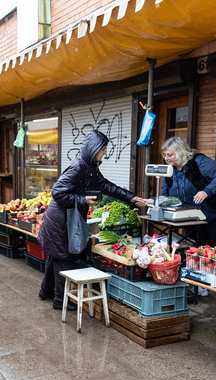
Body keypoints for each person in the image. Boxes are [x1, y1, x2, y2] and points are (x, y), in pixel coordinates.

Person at [37, 130, 147, 310]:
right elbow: (57, 192)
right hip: (59, 221)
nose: (104, 153)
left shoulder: (90, 167)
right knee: (64, 257)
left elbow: (106, 186)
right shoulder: (78, 167)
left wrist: (131, 198)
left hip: (67, 218)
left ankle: (45, 291)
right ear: (93, 148)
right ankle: (59, 300)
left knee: (56, 256)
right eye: (103, 149)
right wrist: (82, 200)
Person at [142, 136, 216, 305]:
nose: (166, 158)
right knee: (199, 250)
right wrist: (152, 201)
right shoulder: (170, 171)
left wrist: (207, 191)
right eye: (165, 155)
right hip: (192, 216)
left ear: (179, 152)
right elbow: (165, 195)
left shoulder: (199, 163)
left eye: (169, 154)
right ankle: (202, 285)